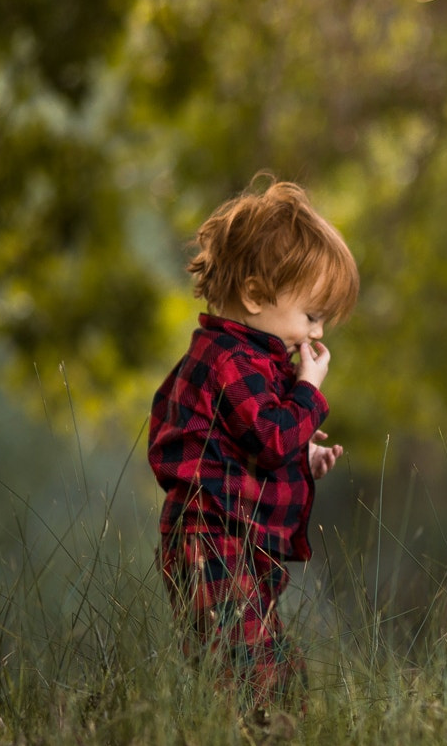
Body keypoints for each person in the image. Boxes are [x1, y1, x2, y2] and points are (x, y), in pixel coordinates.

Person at [148, 177, 358, 709]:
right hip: (211, 539)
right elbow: (268, 438)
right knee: (250, 674)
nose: (315, 336)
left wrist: (303, 458)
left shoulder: (251, 363)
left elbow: (248, 445)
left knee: (271, 669)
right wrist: (308, 392)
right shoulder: (230, 362)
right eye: (310, 316)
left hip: (239, 541)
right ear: (256, 295)